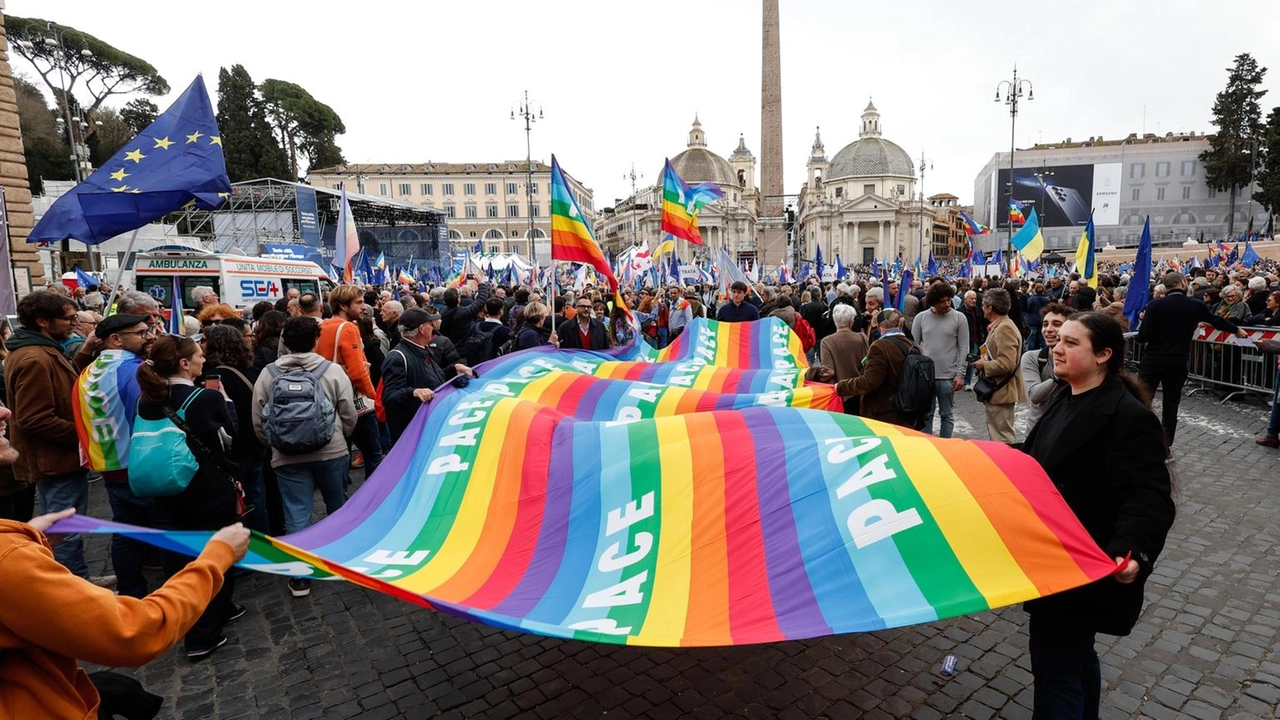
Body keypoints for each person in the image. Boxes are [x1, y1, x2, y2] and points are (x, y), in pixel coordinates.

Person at [1020, 312, 1175, 719]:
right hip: (1051, 557)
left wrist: (1133, 551)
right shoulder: (1063, 395)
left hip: (1083, 565)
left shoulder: (1127, 417)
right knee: (1074, 658)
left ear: (1104, 355)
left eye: (1071, 343)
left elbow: (1150, 497)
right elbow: (1036, 457)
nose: (1056, 346)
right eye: (1058, 339)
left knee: (1055, 671)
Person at [0, 500, 250, 719]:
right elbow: (136, 631)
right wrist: (217, 556)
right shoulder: (7, 558)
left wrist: (27, 537)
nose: (3, 441)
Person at [135, 334, 245, 658]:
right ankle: (203, 633)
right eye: (198, 355)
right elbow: (230, 437)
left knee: (182, 557)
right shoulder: (203, 398)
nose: (203, 360)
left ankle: (217, 610)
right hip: (206, 489)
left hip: (167, 490)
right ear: (184, 363)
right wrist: (225, 401)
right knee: (217, 552)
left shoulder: (148, 399)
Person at [253, 317, 357, 598]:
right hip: (331, 450)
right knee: (337, 504)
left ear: (284, 342)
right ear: (315, 341)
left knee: (297, 513)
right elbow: (348, 412)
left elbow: (259, 419)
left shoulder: (268, 373)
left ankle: (301, 577)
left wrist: (276, 444)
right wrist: (342, 437)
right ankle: (340, 561)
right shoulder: (332, 370)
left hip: (286, 456)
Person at [5, 291, 101, 583]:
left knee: (61, 527)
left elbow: (63, 381)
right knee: (65, 531)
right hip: (55, 462)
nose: (75, 323)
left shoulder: (42, 350)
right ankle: (74, 587)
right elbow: (35, 418)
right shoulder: (34, 358)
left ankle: (75, 579)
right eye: (69, 318)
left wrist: (84, 352)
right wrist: (83, 436)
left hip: (57, 461)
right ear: (43, 321)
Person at [71, 313, 157, 598]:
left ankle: (131, 590)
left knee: (126, 531)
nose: (149, 337)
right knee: (165, 527)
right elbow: (149, 415)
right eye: (141, 333)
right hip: (141, 464)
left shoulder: (87, 372)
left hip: (108, 463)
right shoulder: (135, 369)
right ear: (116, 339)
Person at [1136, 272, 1248, 447]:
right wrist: (1236, 330)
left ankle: (1139, 440)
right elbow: (1216, 321)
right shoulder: (1195, 305)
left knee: (1143, 400)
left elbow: (1142, 337)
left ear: (1165, 286)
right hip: (1178, 361)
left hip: (1153, 359)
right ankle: (1166, 444)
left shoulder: (1154, 305)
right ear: (1183, 282)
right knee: (1171, 404)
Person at [200, 324, 270, 535]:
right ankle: (264, 541)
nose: (200, 344)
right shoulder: (250, 369)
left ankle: (246, 546)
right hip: (256, 442)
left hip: (236, 449)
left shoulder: (214, 377)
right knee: (257, 496)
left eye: (204, 340)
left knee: (238, 501)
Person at [381, 308, 477, 444]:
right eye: (430, 324)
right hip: (413, 434)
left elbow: (430, 377)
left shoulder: (422, 349)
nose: (433, 327)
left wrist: (453, 369)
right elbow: (389, 397)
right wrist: (414, 391)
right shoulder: (398, 357)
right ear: (422, 329)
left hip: (430, 425)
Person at [316, 286, 383, 476]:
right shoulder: (348, 328)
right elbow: (357, 371)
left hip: (329, 399)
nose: (364, 307)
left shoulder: (322, 326)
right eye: (359, 303)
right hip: (355, 401)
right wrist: (374, 397)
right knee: (374, 455)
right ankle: (373, 500)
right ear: (344, 306)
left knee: (340, 457)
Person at [833, 309, 918, 429]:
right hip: (908, 411)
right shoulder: (912, 344)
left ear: (878, 326)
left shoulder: (880, 346)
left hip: (884, 413)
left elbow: (868, 382)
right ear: (900, 324)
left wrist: (841, 386)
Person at [911, 283, 969, 438]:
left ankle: (945, 446)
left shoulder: (959, 318)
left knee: (947, 414)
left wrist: (960, 374)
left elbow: (964, 348)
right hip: (926, 377)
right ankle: (929, 447)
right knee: (927, 415)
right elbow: (913, 348)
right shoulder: (921, 318)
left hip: (948, 377)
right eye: (942, 301)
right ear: (933, 302)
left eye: (949, 300)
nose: (947, 304)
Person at [973, 287, 1026, 443]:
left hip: (1002, 390)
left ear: (990, 307)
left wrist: (984, 365)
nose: (981, 308)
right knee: (998, 433)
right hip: (999, 390)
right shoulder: (1001, 325)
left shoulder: (1005, 328)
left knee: (1002, 437)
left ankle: (1007, 466)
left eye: (983, 305)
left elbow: (1007, 363)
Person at [1020, 303, 1074, 425]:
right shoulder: (1032, 357)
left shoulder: (1078, 360)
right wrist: (1057, 376)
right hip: (1037, 432)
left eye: (1056, 324)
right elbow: (1034, 396)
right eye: (1045, 324)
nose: (1048, 329)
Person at [819, 304, 869, 415]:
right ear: (852, 321)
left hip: (841, 393)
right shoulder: (862, 337)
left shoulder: (827, 342)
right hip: (860, 391)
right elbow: (868, 363)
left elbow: (828, 371)